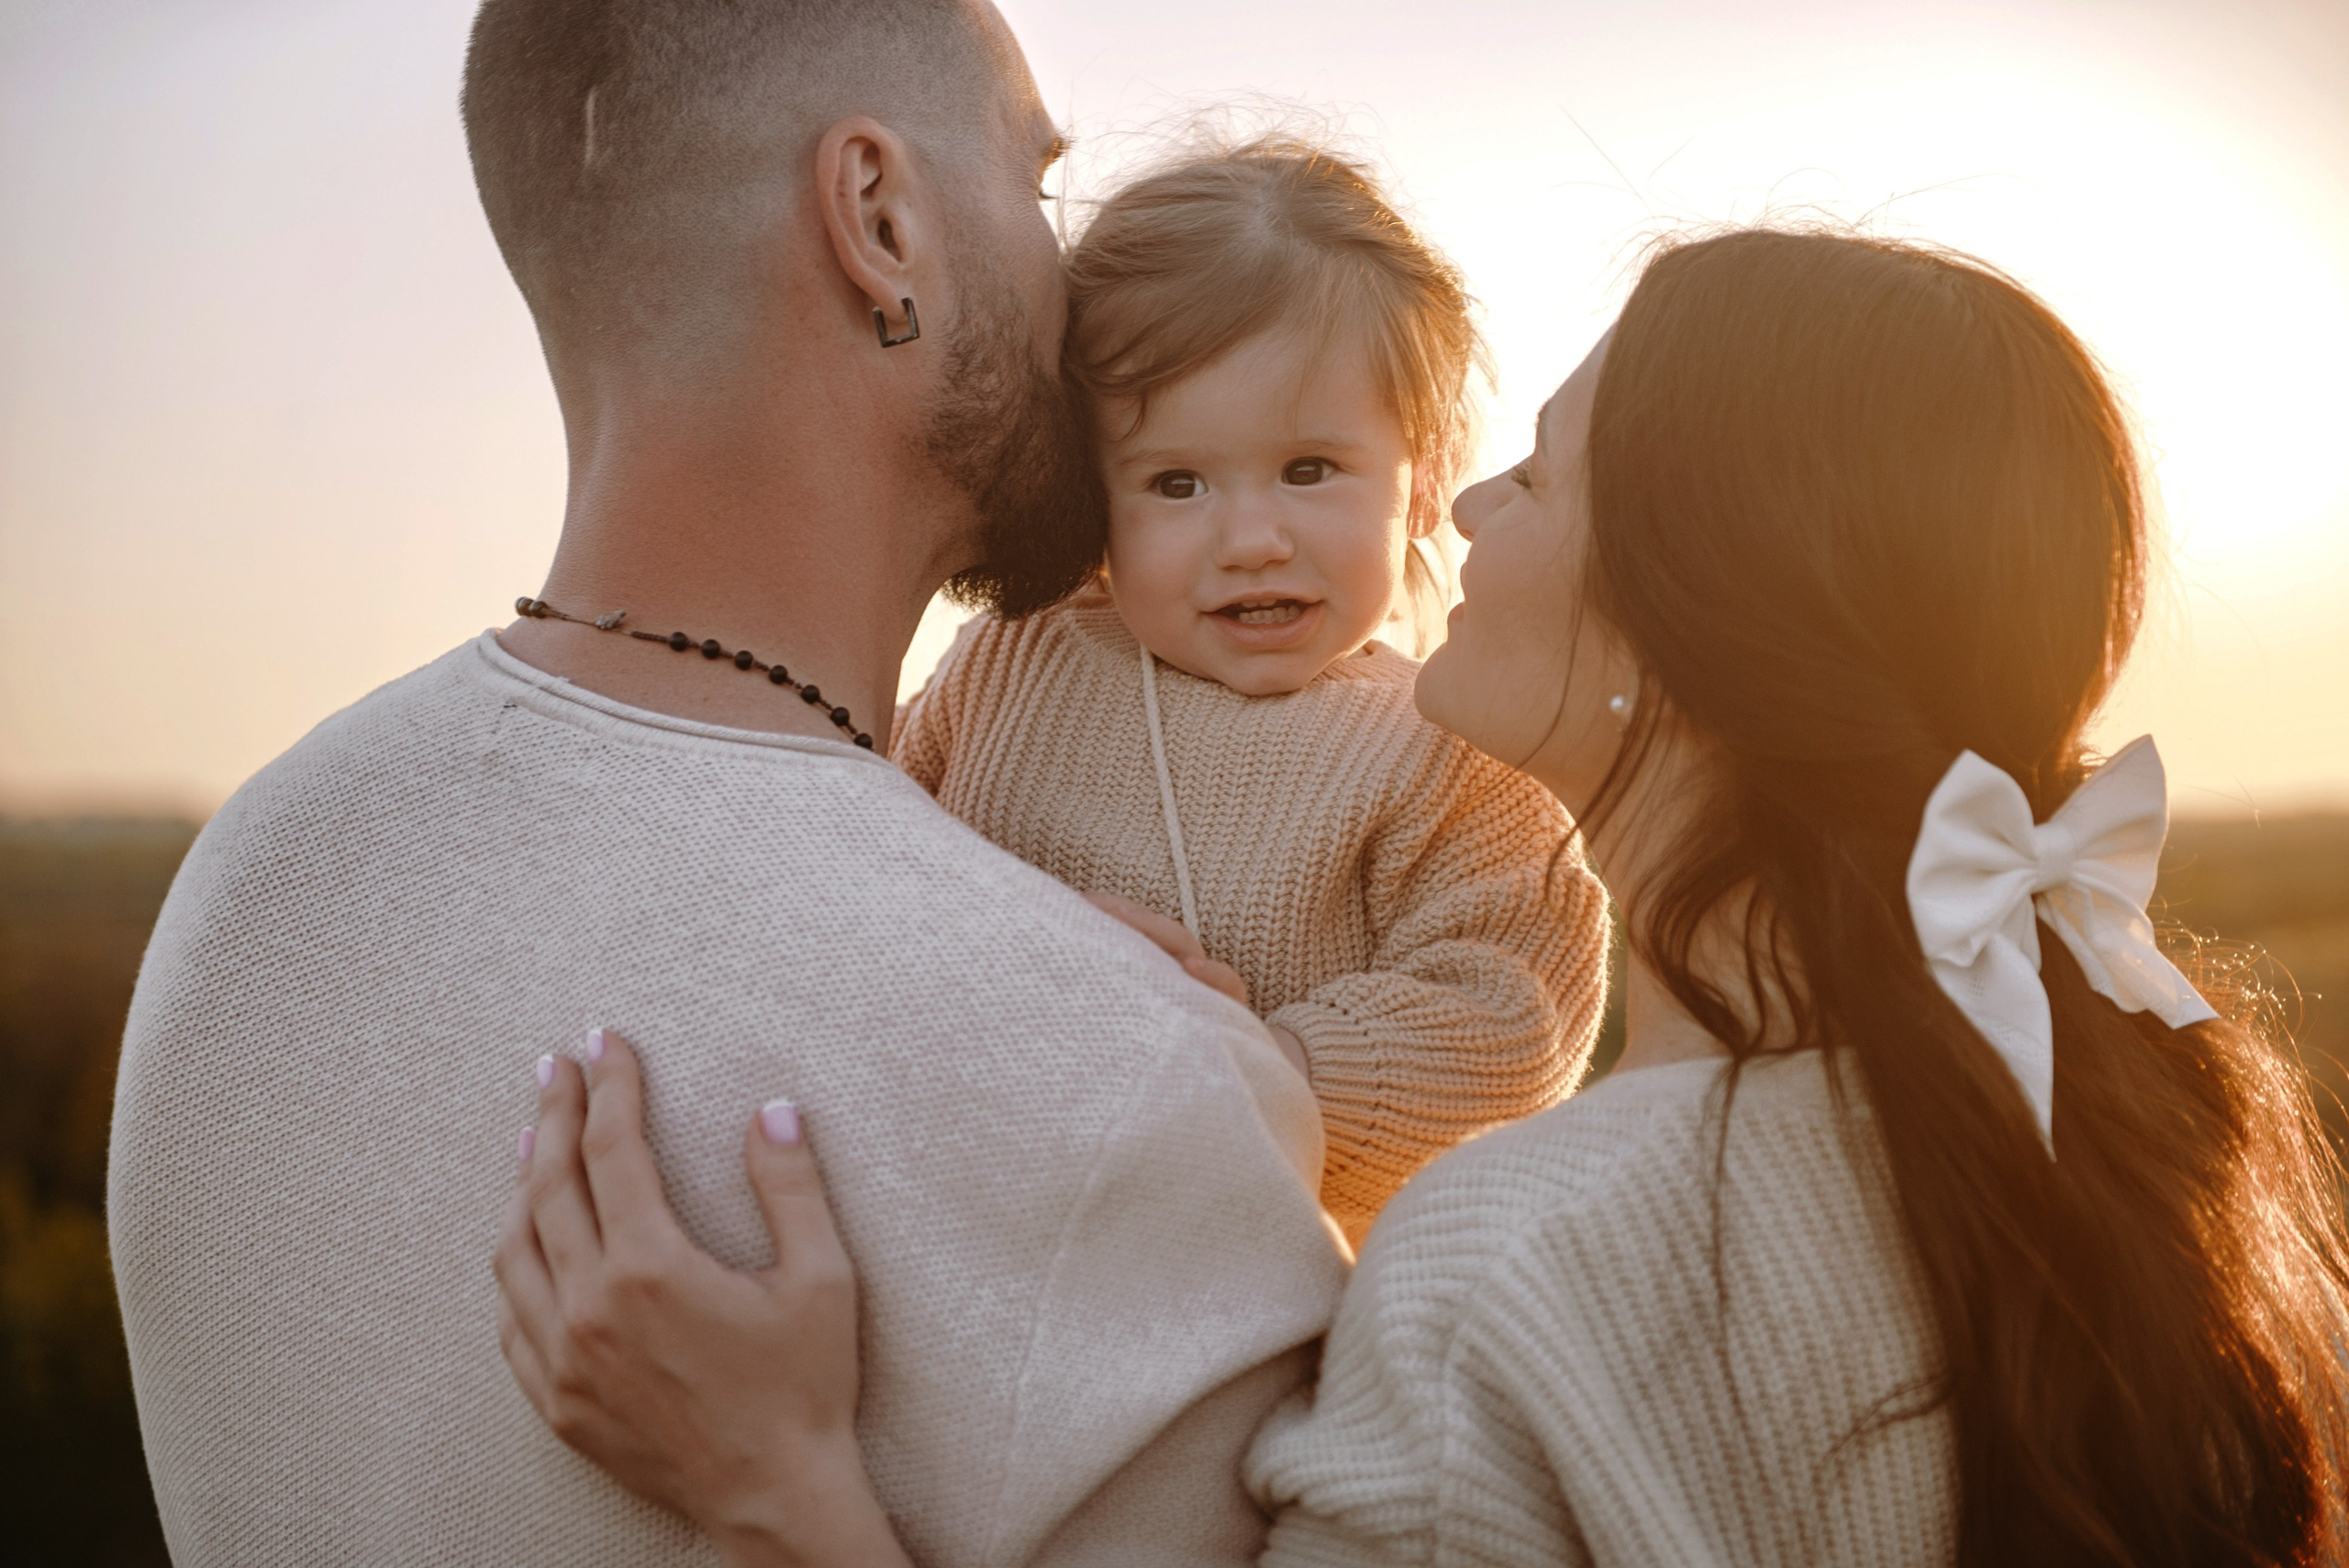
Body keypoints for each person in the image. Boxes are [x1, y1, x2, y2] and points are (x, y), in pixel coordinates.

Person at [498, 228, 2349, 1566]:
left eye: (1535, 470)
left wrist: (776, 1484)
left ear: (1678, 620)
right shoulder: (2194, 1202)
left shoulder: (1513, 1268)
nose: (1465, 507)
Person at [106, 3, 1352, 1563]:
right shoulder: (1124, 1081)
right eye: (1034, 190)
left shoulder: (245, 883)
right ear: (880, 220)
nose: (1076, 288)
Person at [891, 139, 1610, 1245]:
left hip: (1245, 1269)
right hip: (964, 1206)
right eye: (1176, 483)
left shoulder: (1449, 751)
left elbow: (1507, 1011)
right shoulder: (1010, 664)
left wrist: (1263, 1063)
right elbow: (878, 855)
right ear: (1092, 499)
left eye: (1310, 469)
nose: (1253, 540)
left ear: (1416, 475)